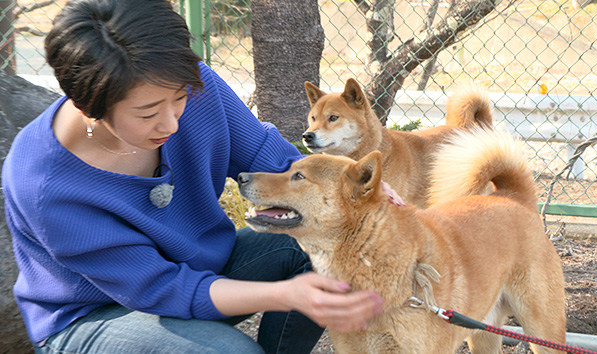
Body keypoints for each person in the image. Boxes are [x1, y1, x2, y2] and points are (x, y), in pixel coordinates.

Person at [1, 0, 385, 353]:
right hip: (97, 315)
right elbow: (159, 287)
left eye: (180, 97)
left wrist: (365, 194)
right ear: (88, 107)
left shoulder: (188, 82)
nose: (172, 121)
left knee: (320, 239)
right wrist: (287, 295)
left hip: (200, 270)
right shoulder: (45, 183)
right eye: (148, 113)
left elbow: (269, 160)